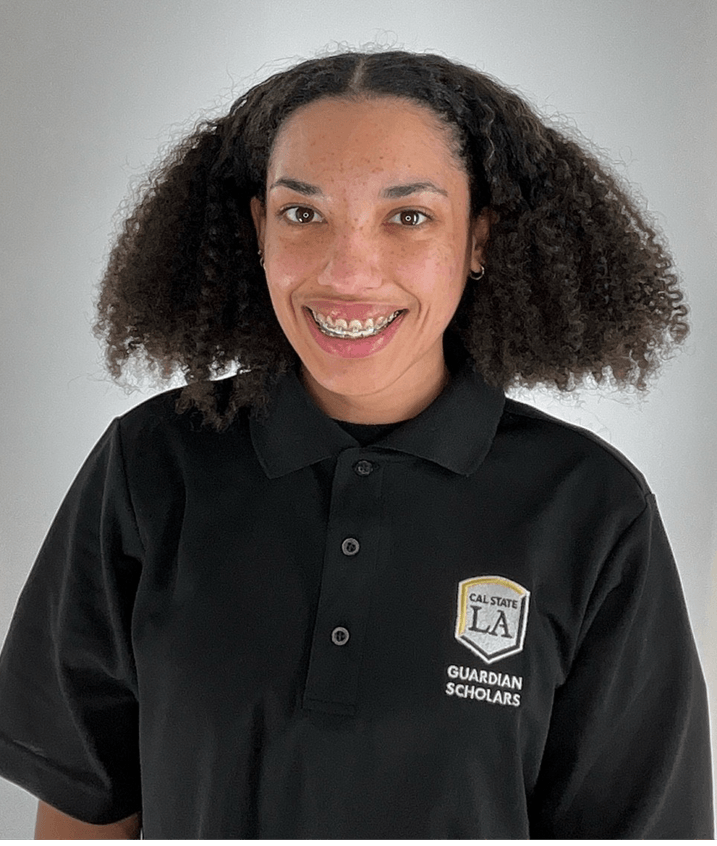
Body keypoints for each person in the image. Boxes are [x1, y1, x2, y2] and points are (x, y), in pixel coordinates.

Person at [0, 50, 712, 840]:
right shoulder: (150, 467)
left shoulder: (589, 508)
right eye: (303, 214)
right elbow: (85, 805)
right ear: (258, 231)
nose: (349, 271)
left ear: (478, 238)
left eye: (407, 216)